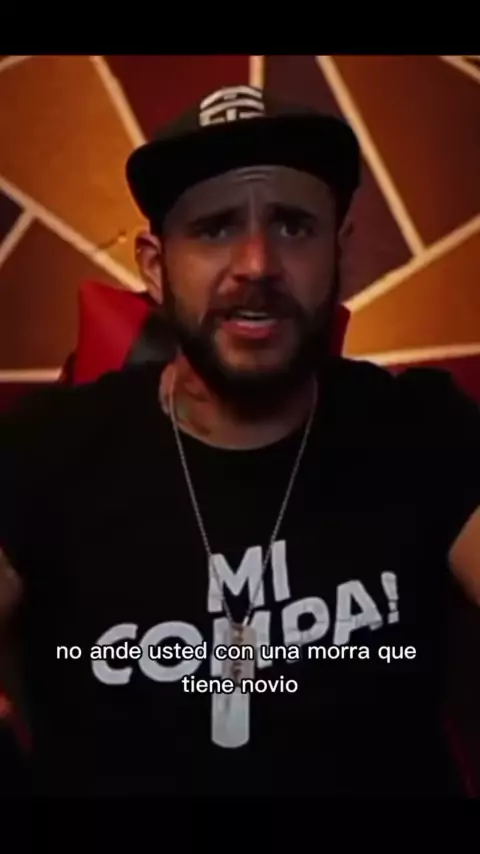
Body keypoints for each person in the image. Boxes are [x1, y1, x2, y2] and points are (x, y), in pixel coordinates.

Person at [1, 84, 479, 798]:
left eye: (293, 226)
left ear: (341, 254)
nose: (257, 263)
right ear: (155, 266)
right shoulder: (47, 446)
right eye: (215, 228)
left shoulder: (421, 426)